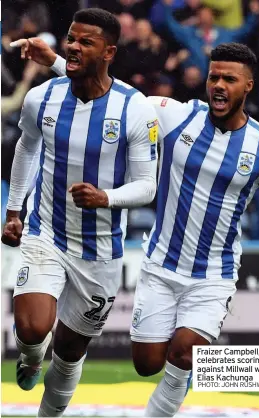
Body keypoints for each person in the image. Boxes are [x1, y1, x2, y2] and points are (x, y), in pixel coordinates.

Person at [10, 39, 259, 416]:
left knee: (183, 352)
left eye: (230, 79)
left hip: (213, 275)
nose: (219, 85)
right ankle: (178, 373)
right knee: (146, 363)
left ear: (248, 86)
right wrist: (55, 62)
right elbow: (111, 93)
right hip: (159, 266)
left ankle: (182, 374)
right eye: (214, 76)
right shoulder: (175, 115)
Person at [1, 8, 158, 417]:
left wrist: (106, 198)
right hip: (45, 232)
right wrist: (14, 210)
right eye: (71, 37)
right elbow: (25, 148)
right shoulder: (42, 98)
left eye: (85, 42)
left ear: (109, 52)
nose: (72, 45)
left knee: (70, 351)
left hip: (100, 251)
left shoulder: (135, 109)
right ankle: (32, 356)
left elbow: (147, 185)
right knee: (33, 328)